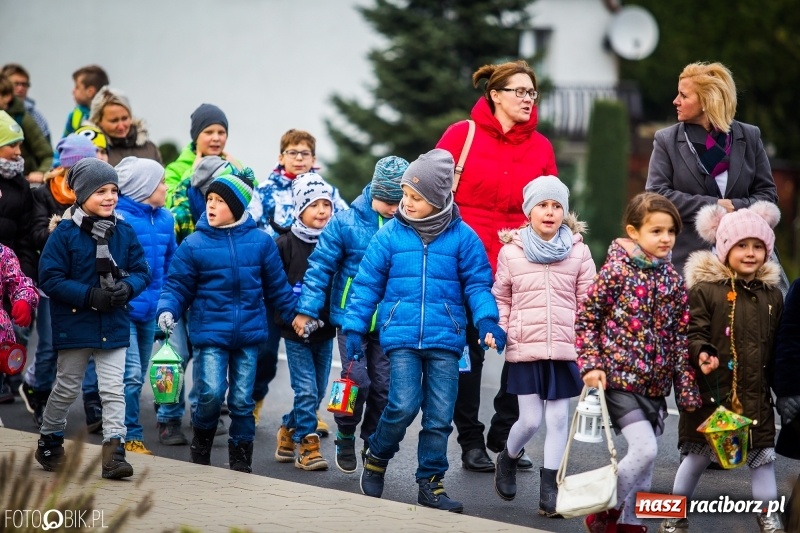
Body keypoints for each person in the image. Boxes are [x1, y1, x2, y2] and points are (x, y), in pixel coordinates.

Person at [343, 148, 506, 513]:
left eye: (416, 197)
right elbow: (366, 283)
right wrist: (354, 326)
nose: (407, 202)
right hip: (400, 337)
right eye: (405, 194)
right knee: (402, 405)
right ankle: (377, 455)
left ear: (437, 198)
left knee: (438, 416)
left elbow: (478, 285)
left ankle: (430, 483)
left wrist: (486, 320)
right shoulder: (389, 237)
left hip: (447, 339)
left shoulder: (463, 238)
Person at [436, 60, 557, 472]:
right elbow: (432, 191)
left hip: (520, 264)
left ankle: (504, 434)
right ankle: (470, 440)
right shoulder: (461, 135)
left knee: (523, 352)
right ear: (495, 95)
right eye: (519, 92)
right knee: (469, 353)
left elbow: (551, 206)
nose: (527, 99)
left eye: (532, 93)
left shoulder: (541, 147)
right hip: (464, 264)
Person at [156, 170, 297, 473]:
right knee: (211, 394)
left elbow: (278, 288)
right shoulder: (193, 244)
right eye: (209, 199)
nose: (211, 205)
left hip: (248, 336)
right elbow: (176, 286)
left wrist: (296, 317)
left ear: (237, 206)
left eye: (220, 200)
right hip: (209, 335)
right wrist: (167, 310)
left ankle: (240, 459)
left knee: (243, 401)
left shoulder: (261, 243)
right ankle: (202, 444)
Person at [577, 192, 701, 533]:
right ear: (634, 232)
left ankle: (629, 522)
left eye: (671, 231)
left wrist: (686, 390)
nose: (665, 238)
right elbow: (587, 319)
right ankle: (603, 504)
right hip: (618, 381)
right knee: (644, 450)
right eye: (656, 231)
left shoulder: (674, 282)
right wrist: (591, 364)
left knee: (648, 458)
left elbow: (679, 339)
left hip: (655, 386)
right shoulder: (616, 272)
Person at [657, 202, 785, 533]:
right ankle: (673, 513)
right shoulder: (706, 290)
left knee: (763, 459)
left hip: (755, 397)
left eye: (758, 246)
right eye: (741, 245)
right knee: (697, 457)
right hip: (713, 395)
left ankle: (769, 516)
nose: (750, 253)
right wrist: (702, 353)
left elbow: (778, 343)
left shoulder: (773, 295)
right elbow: (693, 331)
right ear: (724, 248)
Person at [36, 158, 151, 479]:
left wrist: (127, 288)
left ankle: (114, 453)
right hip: (75, 323)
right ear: (82, 194)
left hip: (113, 322)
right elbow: (50, 278)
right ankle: (49, 441)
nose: (110, 197)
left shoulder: (123, 231)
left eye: (114, 190)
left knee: (113, 390)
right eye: (101, 191)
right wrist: (90, 295)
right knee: (66, 387)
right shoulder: (65, 234)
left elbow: (143, 270)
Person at [293, 156, 408, 474]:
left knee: (384, 388)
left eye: (400, 202)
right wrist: (306, 309)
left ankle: (371, 440)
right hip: (350, 320)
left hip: (388, 322)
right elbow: (320, 267)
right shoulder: (345, 222)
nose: (393, 208)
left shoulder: (407, 225)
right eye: (387, 201)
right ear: (374, 192)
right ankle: (344, 433)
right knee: (356, 381)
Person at [491, 176, 595, 517]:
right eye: (542, 205)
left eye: (556, 206)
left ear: (564, 212)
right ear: (529, 211)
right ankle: (508, 457)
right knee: (531, 420)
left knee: (559, 420)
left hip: (565, 347)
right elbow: (502, 298)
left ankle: (550, 488)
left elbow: (588, 301)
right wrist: (501, 329)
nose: (549, 212)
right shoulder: (511, 252)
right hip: (526, 346)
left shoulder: (579, 251)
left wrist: (590, 342)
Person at [252, 128, 347, 437]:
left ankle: (306, 415)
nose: (299, 158)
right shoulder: (266, 190)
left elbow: (345, 223)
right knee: (266, 353)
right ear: (282, 157)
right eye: (293, 152)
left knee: (314, 373)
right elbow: (252, 225)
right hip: (277, 282)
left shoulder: (328, 193)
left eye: (304, 153)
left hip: (317, 301)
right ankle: (256, 398)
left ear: (313, 158)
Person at [645, 61, 778, 274]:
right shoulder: (666, 140)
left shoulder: (750, 136)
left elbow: (767, 195)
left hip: (745, 264)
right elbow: (655, 197)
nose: (675, 101)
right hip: (688, 264)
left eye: (684, 96)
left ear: (707, 101)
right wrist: (714, 206)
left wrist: (734, 206)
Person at [19, 134, 98, 426]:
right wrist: (63, 226)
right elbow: (36, 233)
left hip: (84, 281)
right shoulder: (44, 194)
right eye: (76, 168)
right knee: (50, 345)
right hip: (52, 282)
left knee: (87, 346)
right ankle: (40, 398)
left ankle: (93, 405)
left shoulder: (94, 193)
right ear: (64, 167)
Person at [274, 173, 337, 470]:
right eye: (314, 205)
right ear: (300, 208)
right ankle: (306, 446)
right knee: (306, 390)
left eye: (327, 204)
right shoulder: (284, 244)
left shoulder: (335, 243)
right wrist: (292, 318)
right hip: (295, 331)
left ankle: (287, 427)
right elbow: (275, 289)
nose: (322, 210)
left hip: (325, 331)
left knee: (319, 389)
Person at [115, 157, 176, 455]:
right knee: (131, 375)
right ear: (143, 187)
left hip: (150, 311)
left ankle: (120, 427)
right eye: (161, 182)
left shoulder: (166, 219)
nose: (165, 187)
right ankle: (129, 435)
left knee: (138, 376)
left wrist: (166, 303)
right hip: (123, 309)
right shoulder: (119, 220)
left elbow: (169, 265)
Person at [0, 110, 37, 402]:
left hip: (8, 268)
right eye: (12, 143)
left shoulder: (20, 185)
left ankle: (9, 381)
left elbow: (25, 234)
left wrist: (23, 280)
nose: (18, 151)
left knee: (13, 333)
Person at [164, 103, 234, 206]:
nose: (216, 138)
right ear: (196, 137)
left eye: (221, 132)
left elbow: (256, 201)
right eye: (209, 132)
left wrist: (241, 172)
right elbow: (168, 203)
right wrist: (193, 173)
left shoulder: (233, 164)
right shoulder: (174, 169)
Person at [88, 86, 162, 166]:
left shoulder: (149, 148)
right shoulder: (91, 153)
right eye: (114, 121)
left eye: (124, 118)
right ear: (98, 121)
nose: (121, 126)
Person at [0, 75, 52, 185]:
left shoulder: (22, 119)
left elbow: (47, 154)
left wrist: (41, 172)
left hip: (21, 182)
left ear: (7, 97)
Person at [1, 63, 51, 144]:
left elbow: (46, 149)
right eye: (16, 84)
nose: (21, 88)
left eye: (24, 84)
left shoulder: (35, 115)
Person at [62, 65, 109, 139]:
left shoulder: (109, 114)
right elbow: (64, 141)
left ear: (90, 92)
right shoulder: (75, 114)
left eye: (77, 87)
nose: (73, 91)